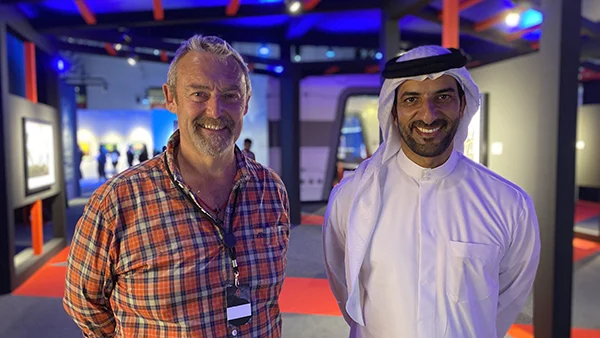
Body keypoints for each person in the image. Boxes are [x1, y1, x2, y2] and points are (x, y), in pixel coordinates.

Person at [63, 35, 291, 337]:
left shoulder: (271, 192)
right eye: (199, 94)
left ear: (246, 103)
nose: (215, 110)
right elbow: (84, 303)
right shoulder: (117, 202)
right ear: (171, 99)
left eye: (230, 95)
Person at [323, 46, 540, 338]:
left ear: (463, 105)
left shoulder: (509, 204)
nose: (428, 115)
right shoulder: (351, 198)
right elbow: (343, 285)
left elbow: (509, 298)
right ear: (394, 111)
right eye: (412, 99)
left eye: (443, 97)